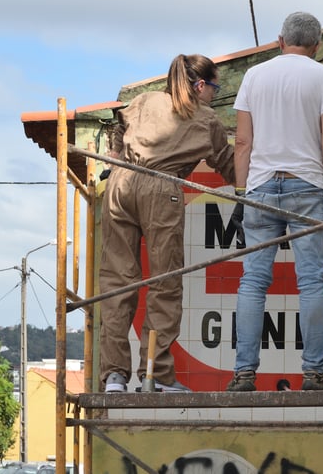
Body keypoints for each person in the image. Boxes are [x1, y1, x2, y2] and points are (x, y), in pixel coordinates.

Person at [99, 54, 236, 393]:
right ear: (201, 85)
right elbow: (229, 165)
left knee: (118, 282)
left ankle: (114, 376)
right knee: (165, 284)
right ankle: (155, 375)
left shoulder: (144, 100)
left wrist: (116, 157)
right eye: (214, 89)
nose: (213, 96)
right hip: (160, 188)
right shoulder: (205, 118)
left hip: (119, 183)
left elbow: (119, 126)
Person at [228, 12, 323, 392]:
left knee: (252, 282)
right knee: (311, 281)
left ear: (280, 40)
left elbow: (243, 142)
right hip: (307, 186)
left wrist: (241, 192)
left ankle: (244, 374)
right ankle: (313, 373)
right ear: (317, 46)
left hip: (260, 187)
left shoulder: (253, 77)